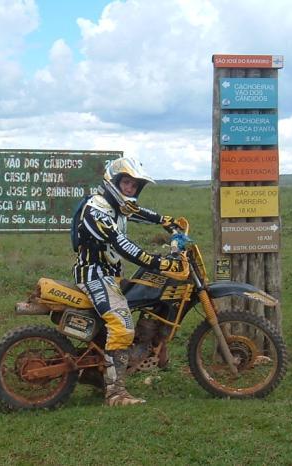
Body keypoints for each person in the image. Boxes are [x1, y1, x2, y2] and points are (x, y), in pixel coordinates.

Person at [71, 156, 183, 406]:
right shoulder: (96, 209)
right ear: (115, 182)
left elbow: (139, 213)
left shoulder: (117, 206)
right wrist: (158, 262)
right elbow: (121, 245)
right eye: (127, 183)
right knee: (122, 325)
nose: (131, 189)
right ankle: (116, 393)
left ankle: (96, 371)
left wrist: (167, 221)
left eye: (135, 186)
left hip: (111, 275)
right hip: (95, 276)